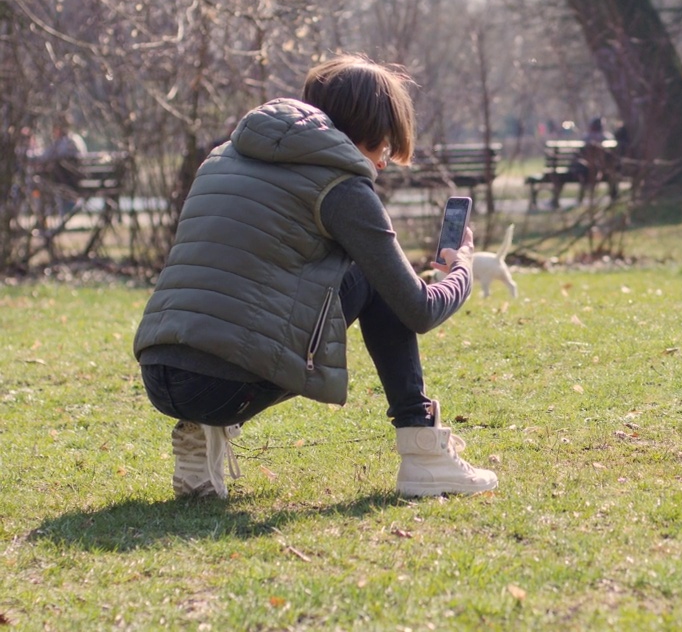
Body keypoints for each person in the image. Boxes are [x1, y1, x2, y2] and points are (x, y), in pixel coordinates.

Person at [133, 54, 497, 499]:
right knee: (378, 279)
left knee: (362, 278)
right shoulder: (341, 187)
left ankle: (200, 431)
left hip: (159, 372)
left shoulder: (222, 158)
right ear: (365, 129)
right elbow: (417, 310)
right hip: (224, 386)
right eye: (384, 145)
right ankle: (423, 454)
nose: (382, 163)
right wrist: (461, 267)